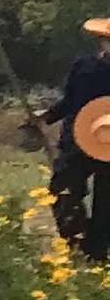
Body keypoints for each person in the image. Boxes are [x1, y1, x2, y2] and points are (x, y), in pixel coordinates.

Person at [52, 14, 110, 261]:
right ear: (102, 42)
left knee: (106, 202)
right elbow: (69, 102)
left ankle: (97, 253)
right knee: (62, 190)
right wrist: (45, 117)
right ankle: (75, 241)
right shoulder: (83, 67)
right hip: (78, 138)